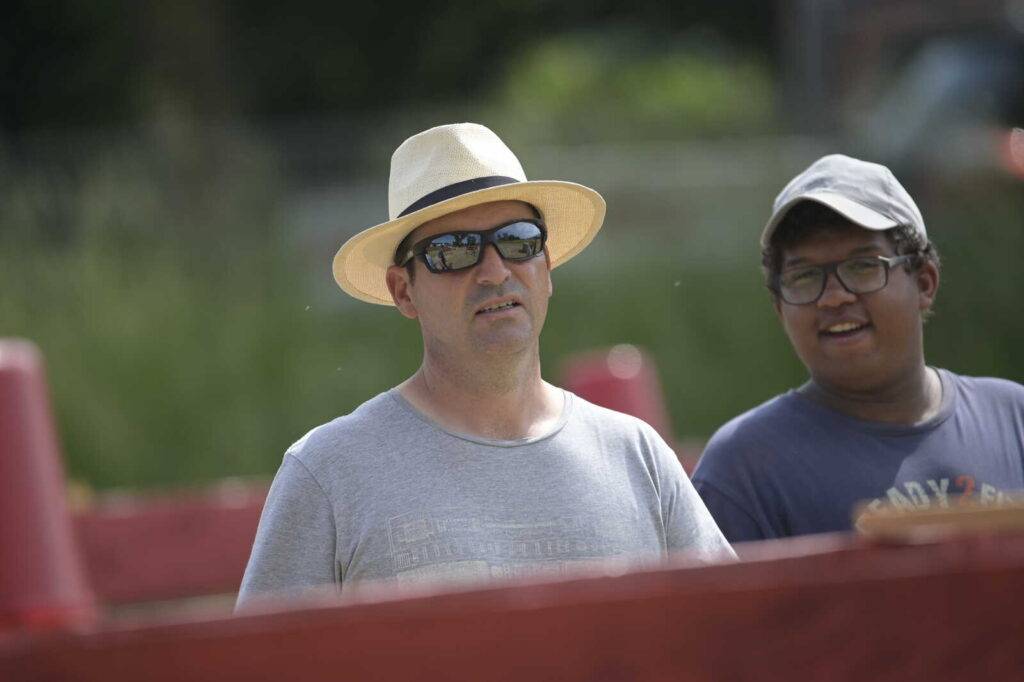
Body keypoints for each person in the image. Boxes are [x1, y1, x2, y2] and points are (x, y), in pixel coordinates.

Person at [237, 123, 732, 606]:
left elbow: (733, 634)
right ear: (403, 291)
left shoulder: (638, 457)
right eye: (454, 251)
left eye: (518, 241)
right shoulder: (327, 474)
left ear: (546, 266)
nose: (495, 271)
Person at [691, 154, 1024, 542]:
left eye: (863, 266)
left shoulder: (1014, 420)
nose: (834, 297)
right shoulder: (742, 472)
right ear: (780, 308)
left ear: (924, 283)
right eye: (804, 276)